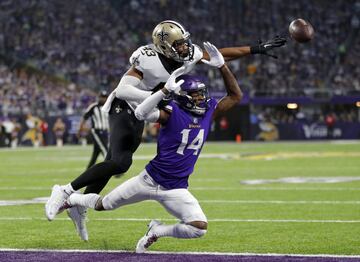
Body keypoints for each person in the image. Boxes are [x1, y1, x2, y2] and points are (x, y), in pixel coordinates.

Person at [45, 20, 285, 240]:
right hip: (125, 106)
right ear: (164, 46)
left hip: (145, 109)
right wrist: (160, 94)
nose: (185, 48)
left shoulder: (186, 54)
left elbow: (217, 56)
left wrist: (256, 48)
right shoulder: (147, 57)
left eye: (184, 43)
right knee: (120, 163)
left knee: (114, 162)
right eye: (179, 45)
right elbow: (123, 89)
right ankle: (65, 191)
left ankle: (78, 206)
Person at [57, 42, 242, 252]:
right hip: (148, 180)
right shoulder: (170, 112)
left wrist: (222, 66)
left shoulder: (209, 110)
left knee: (199, 228)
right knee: (102, 205)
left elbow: (236, 96)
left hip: (176, 188)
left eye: (202, 94)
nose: (202, 99)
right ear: (184, 98)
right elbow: (141, 114)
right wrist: (163, 91)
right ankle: (71, 198)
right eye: (196, 96)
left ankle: (156, 231)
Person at [78, 90, 109, 169]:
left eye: (105, 97)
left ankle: (88, 169)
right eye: (102, 97)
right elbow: (84, 117)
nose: (103, 99)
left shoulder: (109, 106)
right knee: (105, 150)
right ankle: (112, 169)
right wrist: (80, 130)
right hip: (97, 131)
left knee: (96, 152)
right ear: (99, 97)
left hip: (105, 132)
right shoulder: (93, 106)